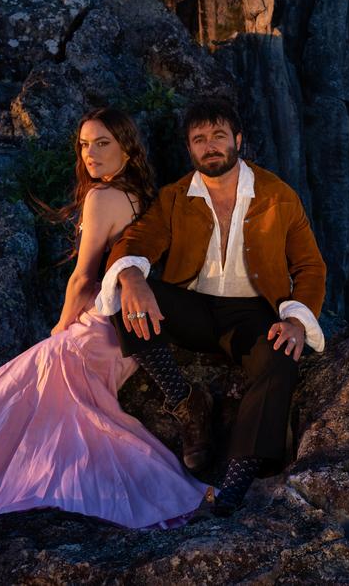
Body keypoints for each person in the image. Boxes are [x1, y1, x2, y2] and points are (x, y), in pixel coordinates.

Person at [0, 107, 207, 528]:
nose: (90, 153)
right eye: (84, 144)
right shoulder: (139, 197)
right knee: (57, 406)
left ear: (128, 150)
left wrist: (60, 327)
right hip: (123, 337)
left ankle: (27, 491)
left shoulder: (101, 197)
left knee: (2, 386)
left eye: (102, 143)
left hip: (98, 330)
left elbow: (82, 278)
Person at [96, 97, 327, 518]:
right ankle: (185, 402)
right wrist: (132, 278)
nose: (210, 146)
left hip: (253, 313)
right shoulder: (175, 196)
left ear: (238, 140)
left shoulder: (278, 196)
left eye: (219, 136)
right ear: (190, 148)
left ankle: (234, 486)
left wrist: (295, 319)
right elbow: (134, 244)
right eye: (199, 139)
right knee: (123, 297)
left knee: (281, 358)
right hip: (194, 309)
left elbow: (310, 266)